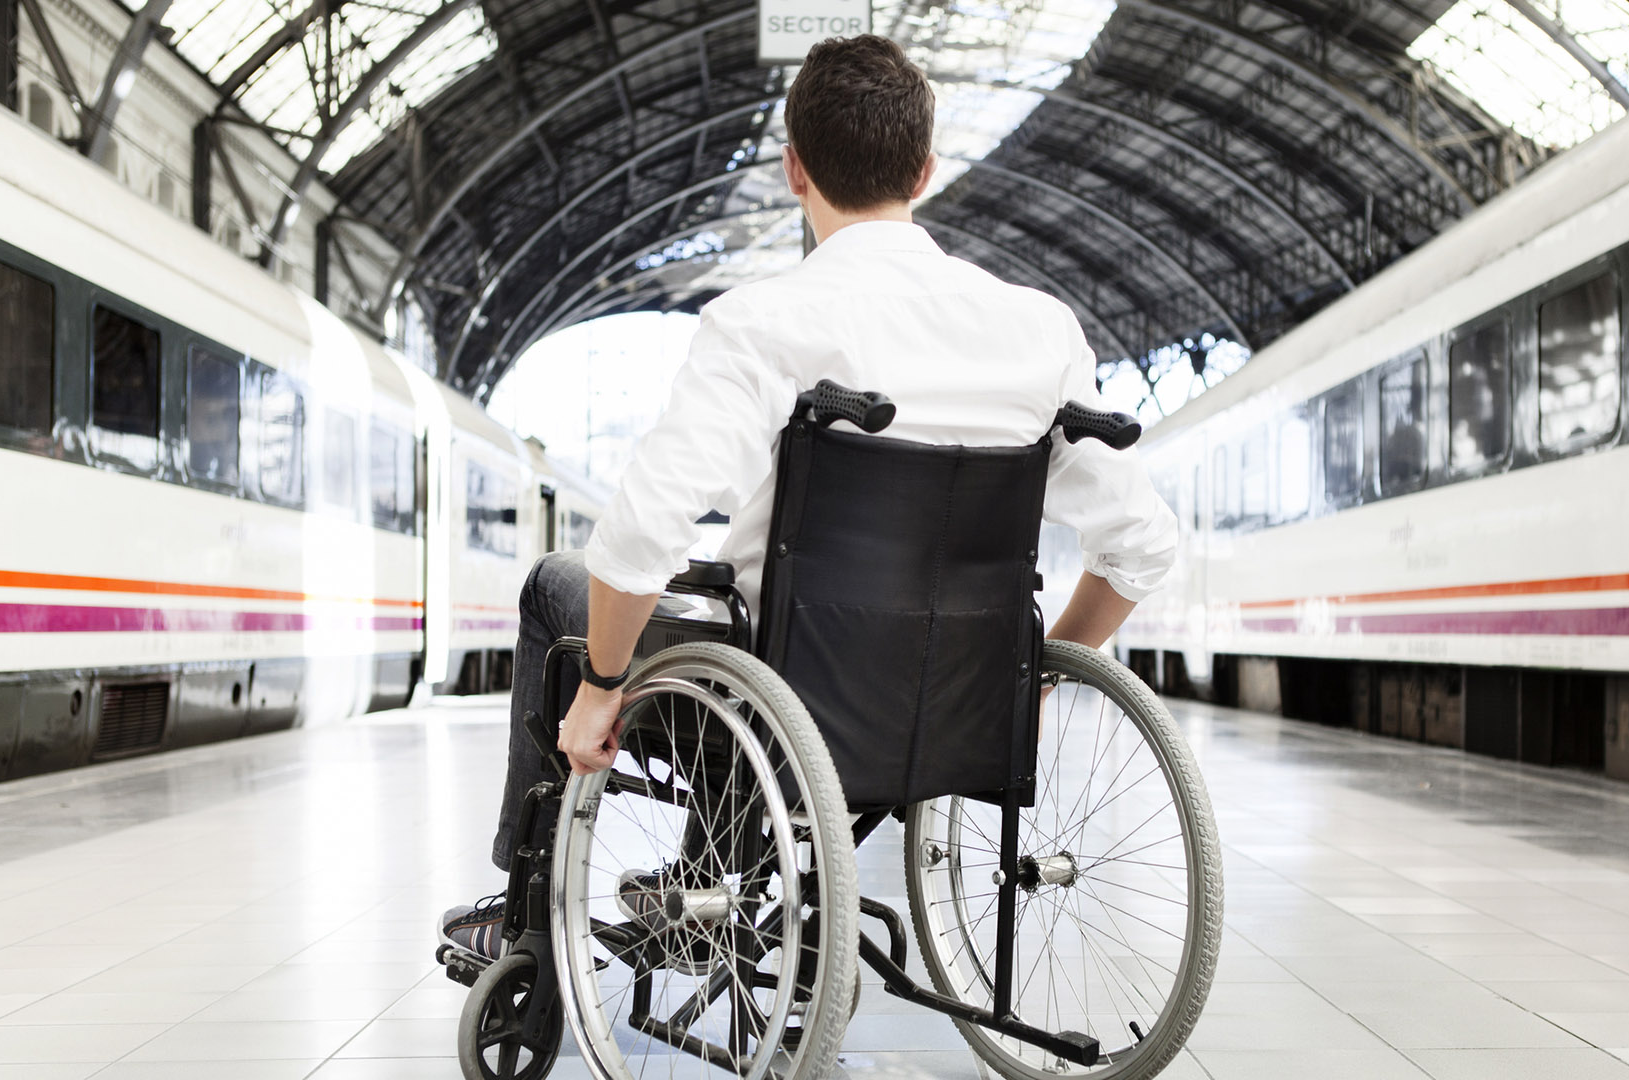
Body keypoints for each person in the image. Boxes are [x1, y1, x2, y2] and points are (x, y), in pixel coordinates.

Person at [442, 33, 1178, 959]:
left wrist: (598, 688)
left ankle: (523, 917)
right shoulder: (1039, 331)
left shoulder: (766, 323)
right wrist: (1028, 674)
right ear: (925, 169)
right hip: (957, 704)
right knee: (737, 635)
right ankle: (701, 878)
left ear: (795, 170)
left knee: (567, 585)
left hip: (781, 693)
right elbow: (1142, 545)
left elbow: (640, 534)